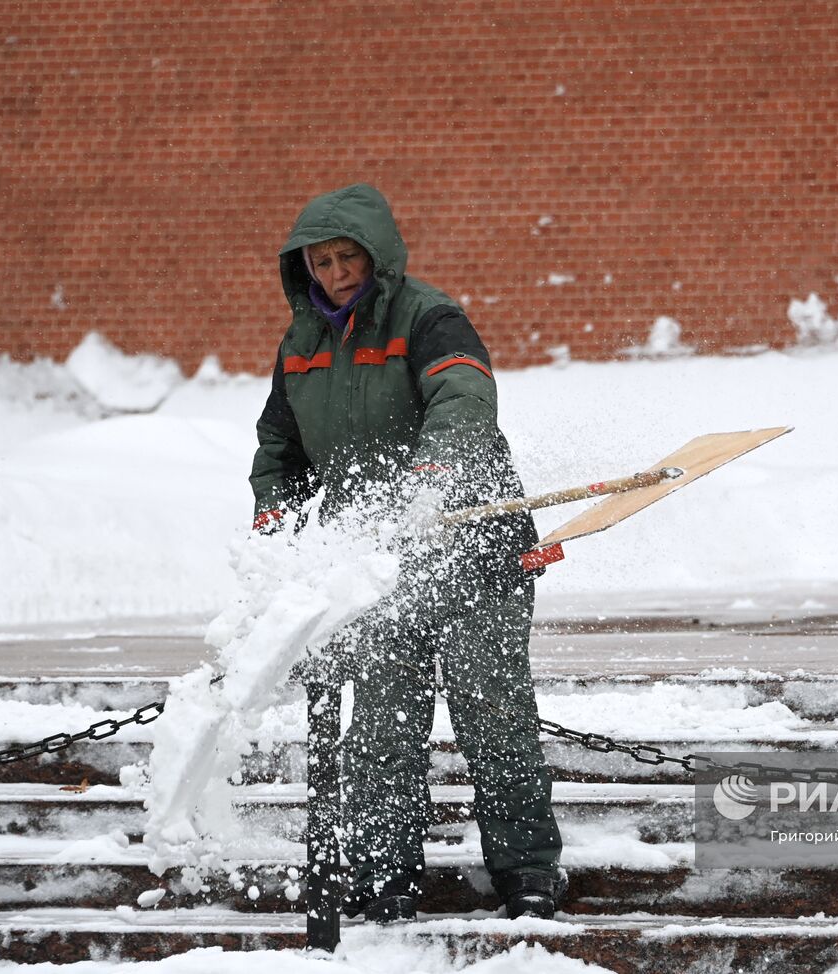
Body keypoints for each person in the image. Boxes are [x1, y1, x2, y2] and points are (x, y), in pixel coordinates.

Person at [248, 183, 565, 921]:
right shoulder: (300, 348)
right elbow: (279, 452)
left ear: (376, 255)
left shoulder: (429, 317)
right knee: (383, 723)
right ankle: (387, 872)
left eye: (346, 256)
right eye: (320, 262)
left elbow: (464, 400)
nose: (334, 273)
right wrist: (277, 523)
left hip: (474, 555)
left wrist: (429, 483)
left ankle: (526, 870)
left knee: (495, 716)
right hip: (379, 568)